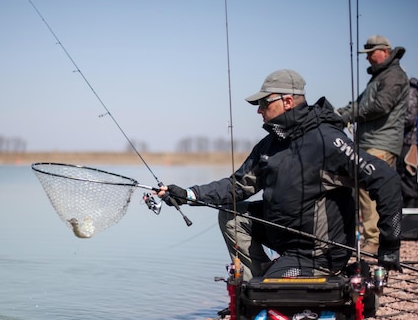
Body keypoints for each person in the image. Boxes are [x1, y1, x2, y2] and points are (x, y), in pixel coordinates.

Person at [157, 69, 403, 280]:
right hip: (284, 238)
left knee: (266, 294)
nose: (259, 110)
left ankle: (268, 283)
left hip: (318, 255)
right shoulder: (270, 144)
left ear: (287, 102)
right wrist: (190, 195)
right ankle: (260, 276)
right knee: (231, 215)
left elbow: (386, 180)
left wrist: (390, 243)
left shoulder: (327, 140)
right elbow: (237, 186)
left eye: (264, 103)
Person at [337, 35, 409, 254]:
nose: (367, 58)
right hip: (369, 142)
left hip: (381, 142)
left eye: (370, 53)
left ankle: (374, 241)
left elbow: (381, 106)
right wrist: (338, 114)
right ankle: (369, 238)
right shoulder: (378, 77)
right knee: (360, 189)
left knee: (371, 192)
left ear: (385, 51)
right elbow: (359, 103)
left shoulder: (394, 76)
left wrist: (351, 115)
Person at [396, 77, 418, 207]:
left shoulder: (412, 91)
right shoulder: (414, 90)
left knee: (407, 176)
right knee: (407, 177)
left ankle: (410, 212)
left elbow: (409, 118)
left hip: (409, 142)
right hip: (411, 141)